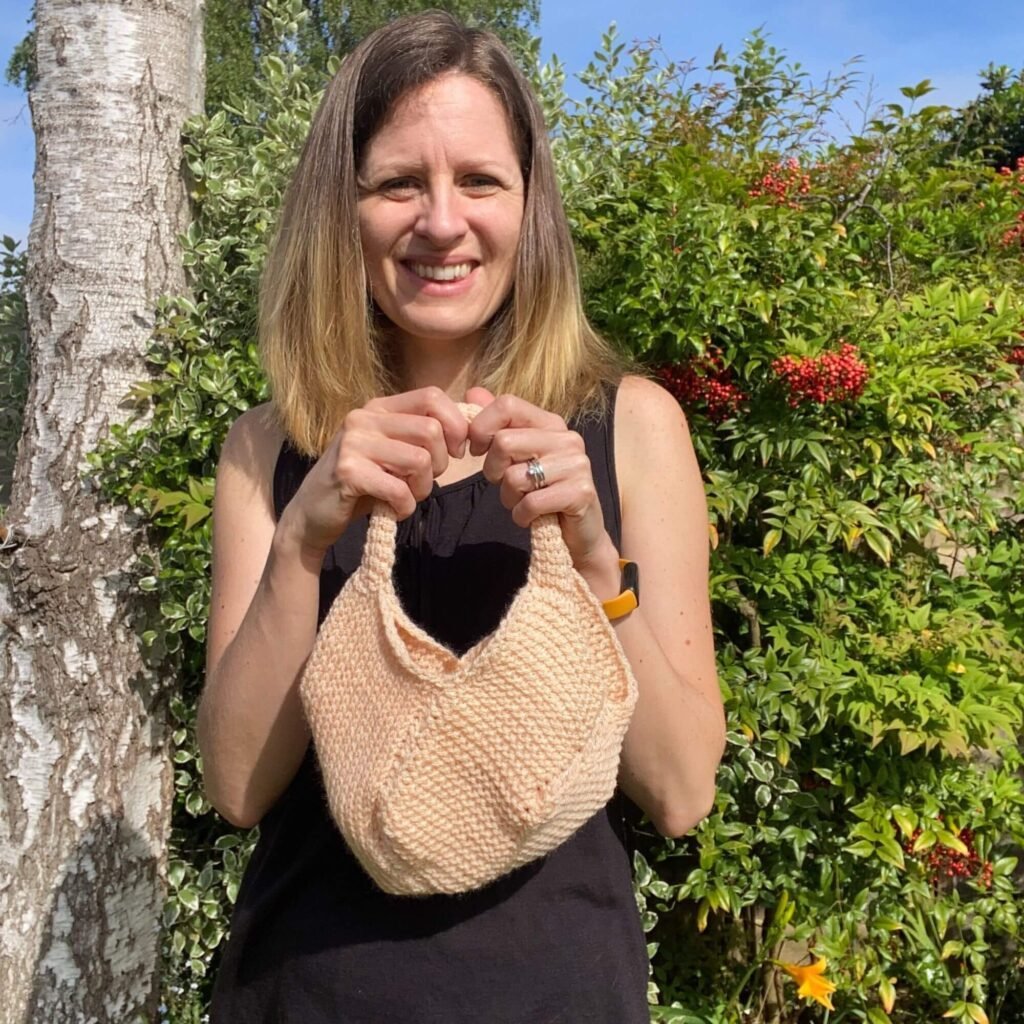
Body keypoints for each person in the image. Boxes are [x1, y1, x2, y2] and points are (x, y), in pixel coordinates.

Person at [198, 11, 725, 1023]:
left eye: (479, 180)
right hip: (308, 994)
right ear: (339, 212)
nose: (441, 221)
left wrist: (595, 557)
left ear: (528, 208)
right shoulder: (268, 448)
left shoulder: (632, 429)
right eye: (399, 182)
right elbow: (236, 786)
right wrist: (303, 541)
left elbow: (678, 791)